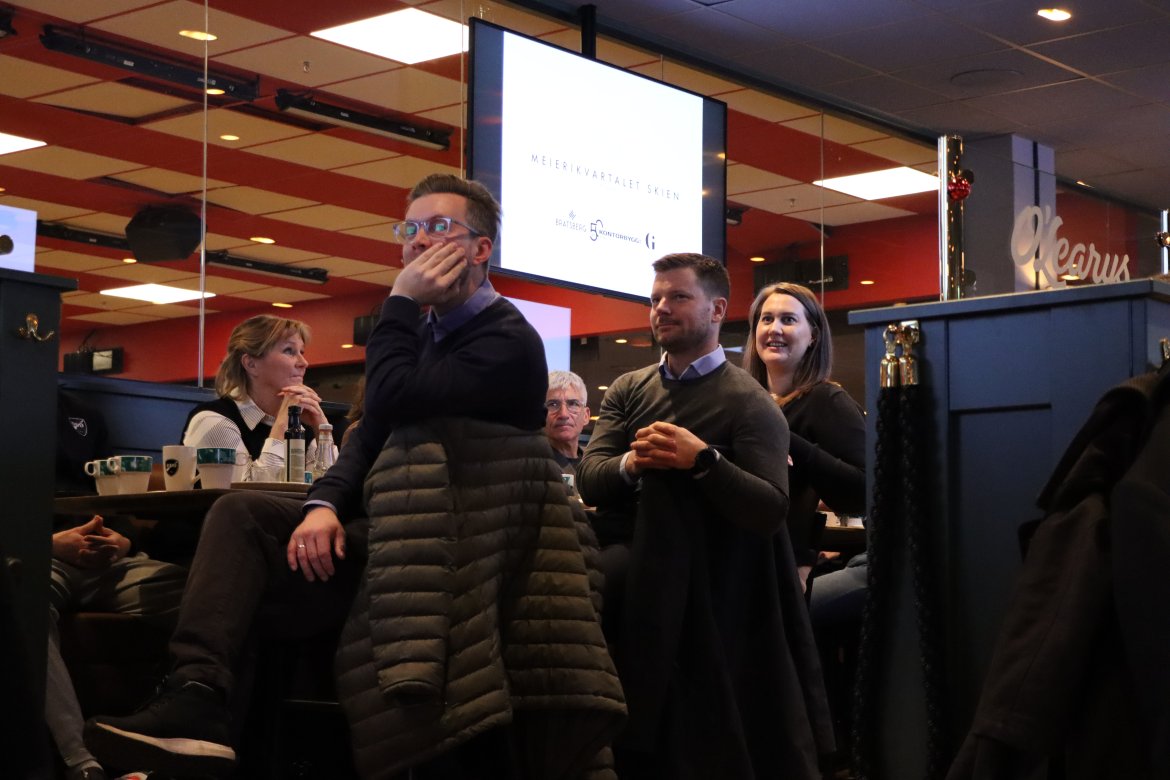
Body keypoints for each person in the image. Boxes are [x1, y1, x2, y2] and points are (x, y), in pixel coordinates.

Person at [82, 174, 562, 778]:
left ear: (481, 248)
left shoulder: (506, 338)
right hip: (392, 520)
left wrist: (399, 302)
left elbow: (391, 396)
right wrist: (323, 505)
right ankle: (196, 696)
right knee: (241, 516)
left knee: (253, 588)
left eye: (439, 228)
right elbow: (373, 436)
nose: (418, 242)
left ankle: (210, 734)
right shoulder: (423, 335)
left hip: (451, 542)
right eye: (410, 229)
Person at [577, 253, 833, 778]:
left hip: (715, 584)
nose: (661, 309)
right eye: (655, 299)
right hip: (639, 562)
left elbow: (769, 508)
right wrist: (634, 463)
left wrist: (703, 462)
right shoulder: (628, 389)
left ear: (717, 310)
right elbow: (591, 478)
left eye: (677, 297)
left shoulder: (750, 403)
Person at [48, 391, 187, 780]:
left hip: (106, 557)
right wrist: (50, 544)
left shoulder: (83, 413)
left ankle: (167, 744)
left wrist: (123, 540)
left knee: (206, 594)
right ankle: (81, 762)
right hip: (35, 555)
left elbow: (114, 495)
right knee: (22, 599)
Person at [741, 281, 866, 589]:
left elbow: (864, 491)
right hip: (738, 561)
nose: (774, 329)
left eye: (788, 319)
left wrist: (787, 441)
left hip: (786, 568)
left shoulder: (826, 400)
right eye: (766, 319)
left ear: (813, 336)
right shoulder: (742, 401)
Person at [182, 315, 329, 481]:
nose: (304, 363)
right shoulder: (212, 420)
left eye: (301, 352)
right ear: (251, 364)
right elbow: (247, 494)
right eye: (289, 351)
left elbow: (330, 490)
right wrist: (282, 425)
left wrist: (322, 431)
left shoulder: (301, 427)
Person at [543, 369, 591, 493]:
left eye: (573, 404)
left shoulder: (597, 462)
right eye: (553, 404)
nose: (563, 414)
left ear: (586, 416)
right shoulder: (530, 465)